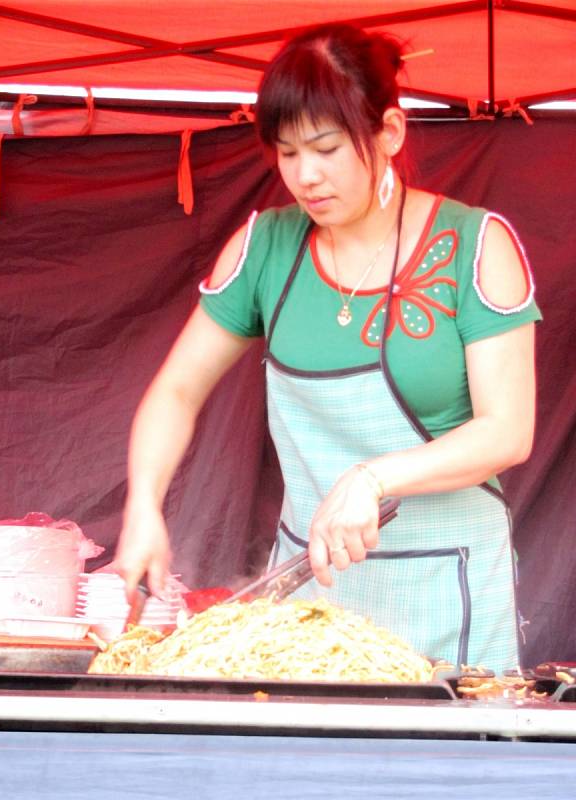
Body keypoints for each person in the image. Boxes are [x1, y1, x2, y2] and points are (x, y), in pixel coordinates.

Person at [115, 22, 541, 672]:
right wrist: (144, 505)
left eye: (326, 147)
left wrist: (373, 478)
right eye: (286, 153)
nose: (305, 176)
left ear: (388, 134)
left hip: (453, 596)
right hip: (313, 601)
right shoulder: (264, 250)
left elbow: (507, 432)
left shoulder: (476, 247)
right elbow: (177, 389)